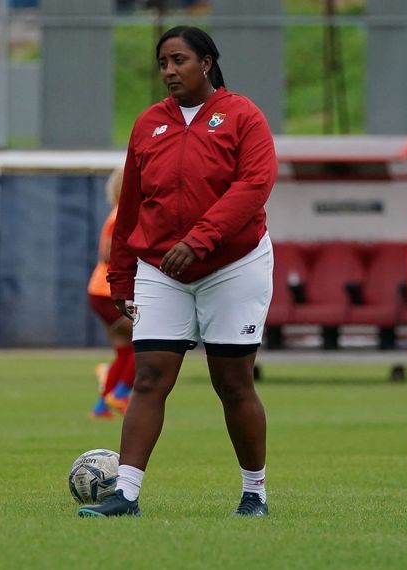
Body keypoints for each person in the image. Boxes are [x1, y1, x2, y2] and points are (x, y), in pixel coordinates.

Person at [78, 25, 276, 518]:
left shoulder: (243, 116)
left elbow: (254, 185)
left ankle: (255, 493)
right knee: (149, 378)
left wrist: (201, 238)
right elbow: (130, 208)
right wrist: (122, 277)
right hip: (161, 268)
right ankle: (125, 494)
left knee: (232, 383)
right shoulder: (149, 124)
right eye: (163, 62)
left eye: (179, 60)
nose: (169, 71)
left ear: (207, 63)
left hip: (235, 264)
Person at [87, 168, 135, 419]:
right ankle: (120, 393)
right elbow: (107, 252)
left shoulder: (121, 214)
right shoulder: (121, 216)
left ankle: (101, 406)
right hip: (108, 292)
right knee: (148, 339)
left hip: (103, 291)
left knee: (125, 349)